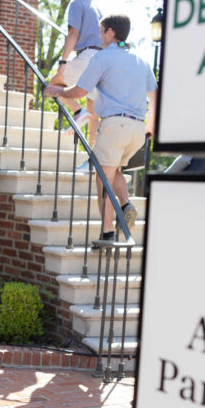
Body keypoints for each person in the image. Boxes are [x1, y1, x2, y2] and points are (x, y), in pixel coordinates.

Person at [44, 14, 157, 241]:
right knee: (113, 170)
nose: (99, 34)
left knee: (102, 178)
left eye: (101, 30)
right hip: (137, 129)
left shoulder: (103, 57)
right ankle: (125, 205)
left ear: (110, 32)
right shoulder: (141, 60)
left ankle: (107, 233)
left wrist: (60, 92)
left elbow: (81, 91)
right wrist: (150, 127)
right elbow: (155, 96)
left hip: (115, 124)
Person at [49, 0, 102, 146]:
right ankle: (93, 160)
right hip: (100, 58)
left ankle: (78, 111)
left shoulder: (77, 5)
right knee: (93, 112)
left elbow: (73, 33)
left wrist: (63, 62)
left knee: (53, 85)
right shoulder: (98, 8)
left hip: (87, 55)